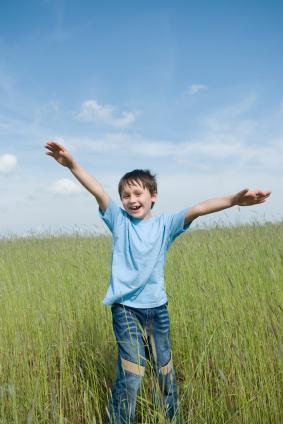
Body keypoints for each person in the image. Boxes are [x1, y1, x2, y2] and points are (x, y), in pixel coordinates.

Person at [45, 140, 271, 423]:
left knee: (165, 370)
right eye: (125, 195)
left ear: (153, 196)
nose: (131, 199)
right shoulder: (119, 221)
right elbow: (98, 191)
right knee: (132, 370)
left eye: (137, 193)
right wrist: (72, 164)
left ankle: (170, 417)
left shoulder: (166, 225)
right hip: (125, 309)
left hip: (157, 310)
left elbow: (199, 208)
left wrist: (234, 200)